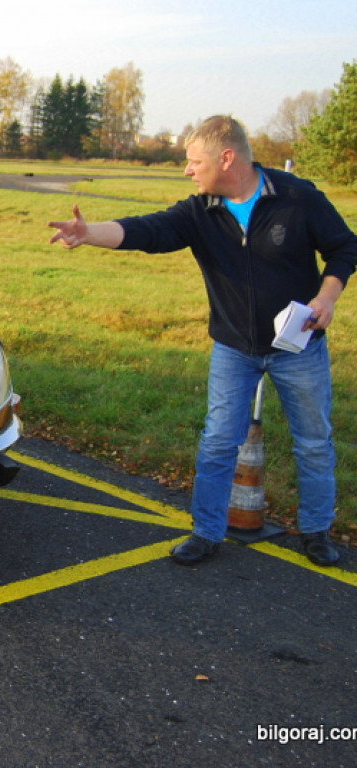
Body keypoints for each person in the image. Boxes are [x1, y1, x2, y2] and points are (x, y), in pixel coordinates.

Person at [47, 115, 357, 567]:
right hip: (234, 346)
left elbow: (345, 248)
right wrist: (88, 233)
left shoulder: (297, 198)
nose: (188, 171)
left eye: (194, 161)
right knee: (217, 443)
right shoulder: (201, 211)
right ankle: (207, 532)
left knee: (313, 442)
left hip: (299, 347)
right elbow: (146, 230)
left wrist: (326, 298)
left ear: (226, 158)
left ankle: (315, 532)